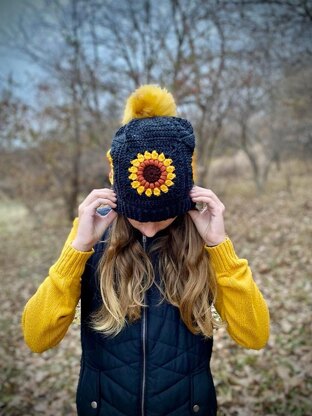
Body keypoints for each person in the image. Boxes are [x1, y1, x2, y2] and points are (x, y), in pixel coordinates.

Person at [22, 85, 270, 416]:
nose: (151, 228)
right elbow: (37, 337)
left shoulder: (203, 240)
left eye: (162, 216)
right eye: (139, 217)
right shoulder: (92, 238)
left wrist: (219, 248)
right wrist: (78, 249)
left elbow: (254, 335)